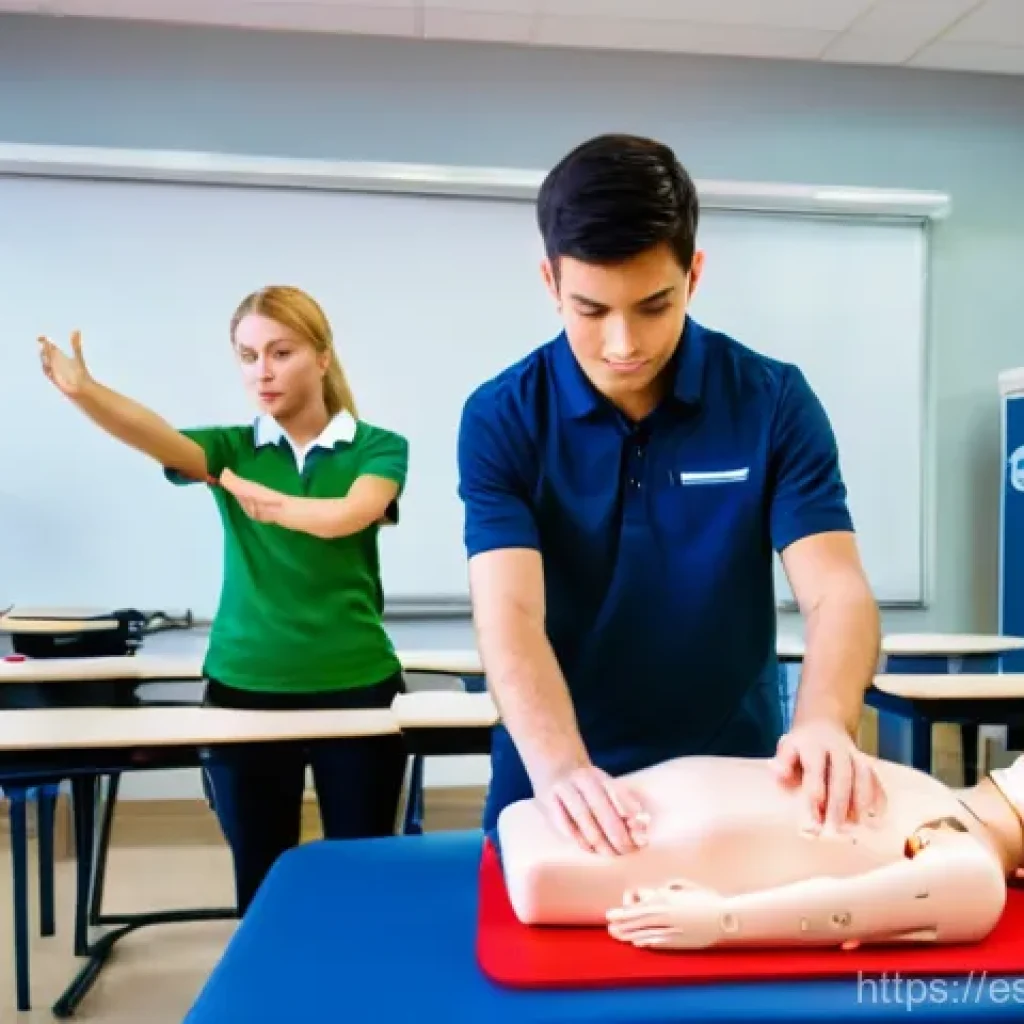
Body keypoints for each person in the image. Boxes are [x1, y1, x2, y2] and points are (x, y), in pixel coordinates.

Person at [457, 133, 882, 857]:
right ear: (550, 282)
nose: (624, 343)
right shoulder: (502, 415)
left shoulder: (772, 401)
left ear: (695, 273)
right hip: (560, 782)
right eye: (591, 310)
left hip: (736, 779)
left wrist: (822, 722)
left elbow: (835, 592)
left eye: (655, 305)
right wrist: (562, 768)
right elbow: (510, 612)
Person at [37, 284, 410, 913]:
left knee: (363, 868)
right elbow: (153, 434)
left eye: (280, 352)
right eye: (247, 356)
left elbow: (354, 512)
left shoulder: (378, 446)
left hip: (358, 681)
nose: (261, 371)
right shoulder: (230, 450)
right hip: (246, 686)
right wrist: (85, 394)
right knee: (261, 873)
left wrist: (276, 506)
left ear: (322, 357)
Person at [496, 751, 1024, 950]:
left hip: (617, 852)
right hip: (612, 807)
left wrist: (723, 920)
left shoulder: (975, 866)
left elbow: (846, 908)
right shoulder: (935, 790)